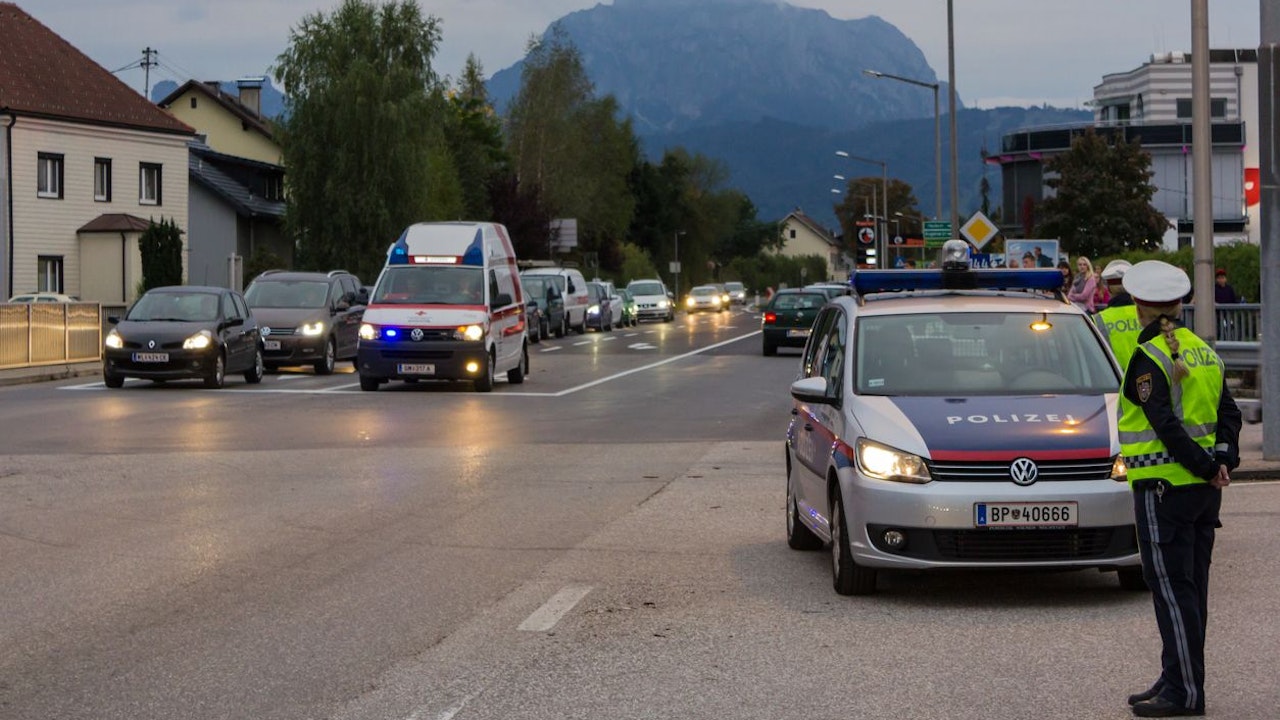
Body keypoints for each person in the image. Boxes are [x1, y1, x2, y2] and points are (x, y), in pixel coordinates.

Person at [1118, 260, 1241, 718]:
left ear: (1138, 306)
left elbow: (1165, 425)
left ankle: (1185, 691)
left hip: (1163, 489)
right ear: (1180, 305)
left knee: (1171, 589)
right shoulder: (1204, 351)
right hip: (1203, 492)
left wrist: (1206, 465)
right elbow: (1230, 416)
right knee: (1191, 590)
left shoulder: (1147, 357)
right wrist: (1223, 460)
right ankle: (1177, 676)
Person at [1093, 260, 1140, 369]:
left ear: (1108, 289)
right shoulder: (1147, 315)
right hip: (1146, 381)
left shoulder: (1097, 320)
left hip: (1112, 382)